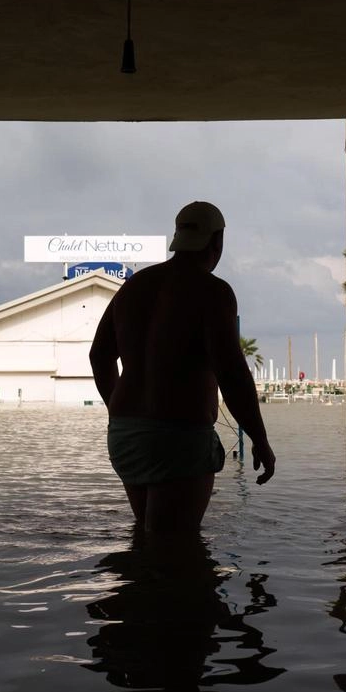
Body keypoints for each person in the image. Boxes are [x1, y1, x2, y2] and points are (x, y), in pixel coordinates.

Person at [89, 201, 275, 534]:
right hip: (179, 436)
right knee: (177, 551)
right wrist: (259, 438)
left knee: (148, 539)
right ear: (217, 242)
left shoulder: (134, 287)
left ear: (177, 237)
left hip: (125, 434)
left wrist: (119, 409)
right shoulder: (213, 292)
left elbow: (99, 356)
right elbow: (232, 374)